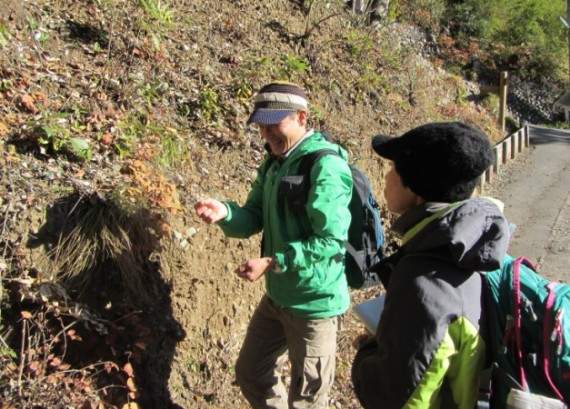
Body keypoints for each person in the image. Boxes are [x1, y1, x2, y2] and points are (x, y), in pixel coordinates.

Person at [195, 81, 353, 409]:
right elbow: (253, 215)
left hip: (314, 304)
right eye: (262, 126)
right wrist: (226, 213)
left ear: (302, 117)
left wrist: (272, 262)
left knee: (307, 400)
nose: (268, 134)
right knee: (251, 373)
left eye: (276, 124)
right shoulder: (274, 163)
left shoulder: (325, 167)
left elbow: (331, 240)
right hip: (279, 296)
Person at [351, 122, 511, 408]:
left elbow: (393, 397)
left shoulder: (424, 281)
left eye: (393, 168)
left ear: (415, 187)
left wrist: (369, 349)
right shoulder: (470, 247)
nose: (386, 177)